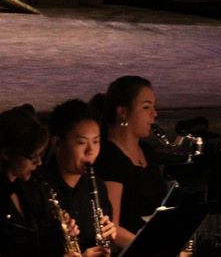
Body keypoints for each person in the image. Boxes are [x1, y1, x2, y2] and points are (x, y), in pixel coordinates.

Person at [0, 104, 63, 257]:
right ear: (7, 153)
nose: (39, 162)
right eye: (33, 156)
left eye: (40, 155)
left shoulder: (31, 187)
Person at [92, 76, 167, 244]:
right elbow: (112, 227)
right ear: (123, 112)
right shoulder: (109, 157)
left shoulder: (147, 151)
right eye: (146, 107)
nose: (154, 113)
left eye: (153, 107)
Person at [39, 99, 118, 255]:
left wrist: (109, 239)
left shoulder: (98, 186)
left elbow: (108, 246)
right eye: (81, 142)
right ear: (58, 143)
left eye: (96, 141)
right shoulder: (38, 187)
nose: (90, 151)